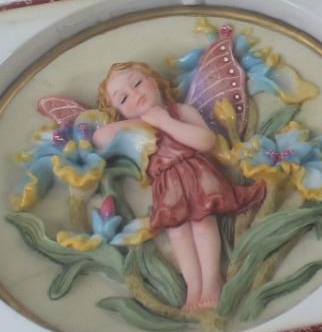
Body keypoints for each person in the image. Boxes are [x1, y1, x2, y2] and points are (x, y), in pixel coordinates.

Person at [92, 61, 264, 311]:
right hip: (168, 185)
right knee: (178, 233)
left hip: (196, 175)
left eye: (137, 83)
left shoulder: (180, 112)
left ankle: (211, 281)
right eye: (123, 98)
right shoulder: (135, 129)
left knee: (202, 223)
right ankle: (193, 287)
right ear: (117, 111)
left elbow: (205, 141)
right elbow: (100, 136)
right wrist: (141, 121)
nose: (135, 94)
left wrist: (164, 122)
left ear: (154, 80)